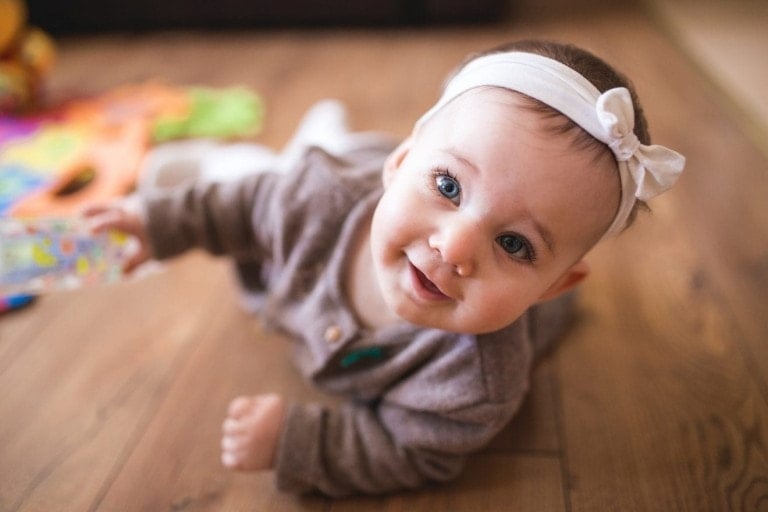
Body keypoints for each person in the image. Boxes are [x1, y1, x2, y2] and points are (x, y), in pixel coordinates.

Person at [85, 39, 685, 497]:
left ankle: (355, 145)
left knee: (303, 172)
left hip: (382, 180)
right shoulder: (312, 201)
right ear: (405, 162)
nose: (454, 248)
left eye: (514, 245)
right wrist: (158, 223)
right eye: (449, 186)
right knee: (267, 177)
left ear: (554, 286)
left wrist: (300, 442)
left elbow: (412, 450)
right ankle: (331, 140)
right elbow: (242, 206)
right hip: (346, 174)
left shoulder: (477, 383)